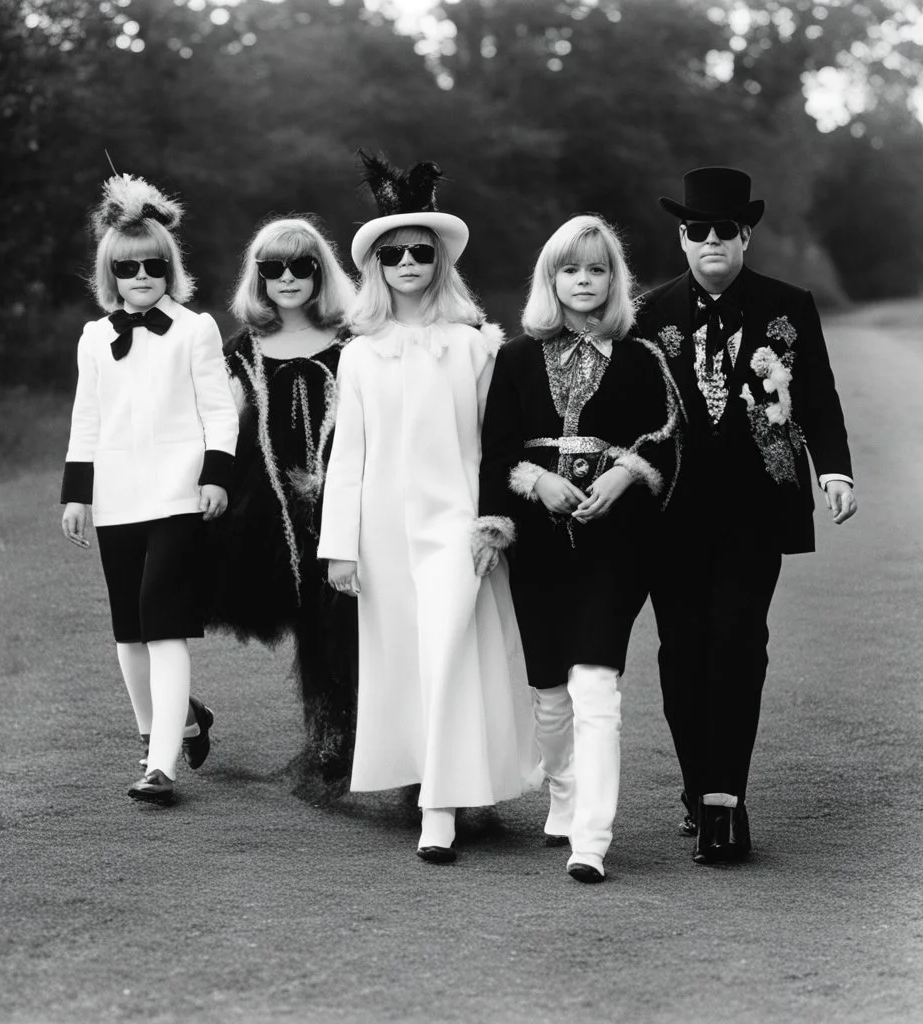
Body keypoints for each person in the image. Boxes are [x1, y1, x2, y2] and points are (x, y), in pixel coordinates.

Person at [317, 152, 538, 864]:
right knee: (406, 664)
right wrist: (340, 547)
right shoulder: (358, 355)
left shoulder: (474, 346)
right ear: (375, 266)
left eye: (421, 251)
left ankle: (440, 810)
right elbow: (346, 457)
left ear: (439, 262)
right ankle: (425, 786)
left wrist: (495, 519)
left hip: (457, 527)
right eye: (394, 253)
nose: (409, 261)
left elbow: (496, 445)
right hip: (381, 534)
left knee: (450, 655)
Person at [637, 167, 857, 863]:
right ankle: (697, 783)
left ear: (744, 235)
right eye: (696, 230)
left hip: (756, 509)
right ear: (681, 236)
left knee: (737, 644)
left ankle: (724, 801)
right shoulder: (647, 313)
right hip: (668, 514)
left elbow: (816, 395)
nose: (709, 241)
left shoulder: (789, 306)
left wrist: (836, 470)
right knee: (682, 651)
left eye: (723, 230)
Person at [478, 214, 683, 883]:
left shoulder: (642, 357)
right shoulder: (511, 358)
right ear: (551, 278)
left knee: (597, 685)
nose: (584, 280)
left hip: (616, 545)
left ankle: (591, 839)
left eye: (597, 268)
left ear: (614, 279)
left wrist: (625, 474)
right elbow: (497, 450)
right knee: (550, 694)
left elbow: (669, 433)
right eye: (571, 268)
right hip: (536, 543)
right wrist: (535, 481)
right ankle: (563, 796)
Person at [60, 173, 239, 805]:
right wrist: (75, 494)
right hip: (116, 497)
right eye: (128, 266)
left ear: (170, 267)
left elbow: (220, 412)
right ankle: (171, 725)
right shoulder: (92, 338)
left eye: (153, 264)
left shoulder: (196, 329)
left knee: (165, 627)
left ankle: (160, 764)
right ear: (111, 272)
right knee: (129, 632)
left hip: (179, 496)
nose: (141, 275)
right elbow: (87, 418)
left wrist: (216, 477)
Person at [205, 216, 359, 783]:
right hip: (264, 509)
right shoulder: (241, 349)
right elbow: (215, 420)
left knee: (339, 622)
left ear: (321, 273)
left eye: (302, 266)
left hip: (340, 498)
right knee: (301, 614)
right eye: (274, 268)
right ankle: (178, 717)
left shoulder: (352, 343)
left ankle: (342, 741)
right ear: (259, 277)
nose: (288, 278)